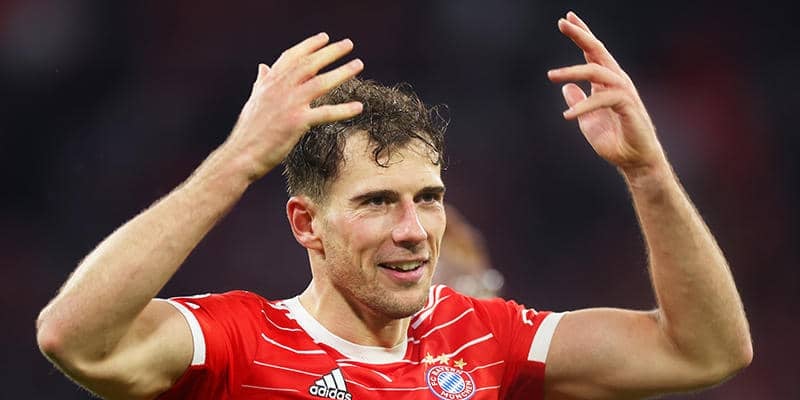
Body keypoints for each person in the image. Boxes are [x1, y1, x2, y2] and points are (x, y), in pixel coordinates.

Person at [36, 11, 752, 400]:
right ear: (306, 224)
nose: (414, 231)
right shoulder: (240, 344)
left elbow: (705, 352)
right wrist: (240, 159)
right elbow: (74, 337)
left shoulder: (485, 337)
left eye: (428, 199)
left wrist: (648, 173)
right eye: (378, 202)